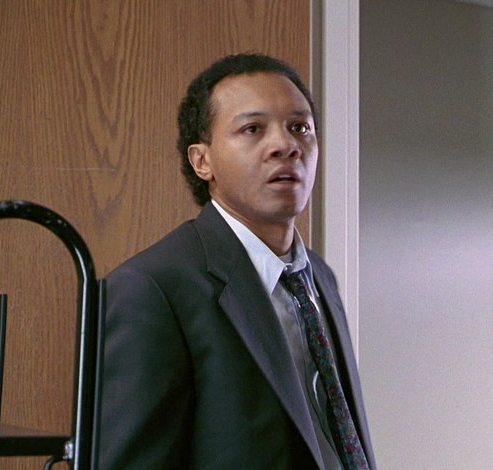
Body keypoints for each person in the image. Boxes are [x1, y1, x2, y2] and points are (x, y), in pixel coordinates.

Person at [99, 53, 375, 469]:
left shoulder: (319, 276)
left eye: (300, 127)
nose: (286, 145)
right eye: (252, 129)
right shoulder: (152, 289)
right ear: (202, 160)